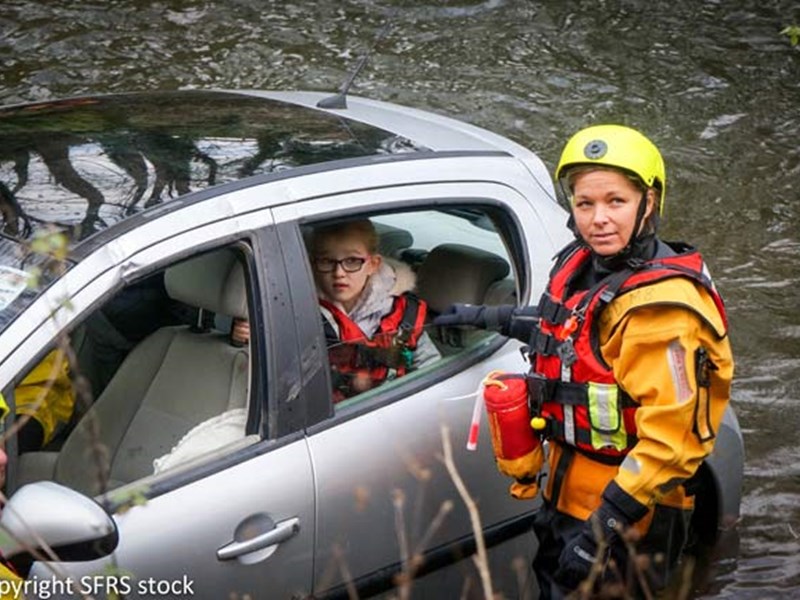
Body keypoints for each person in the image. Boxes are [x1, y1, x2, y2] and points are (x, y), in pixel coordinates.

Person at [436, 125, 734, 597]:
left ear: (648, 203)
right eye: (585, 203)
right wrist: (489, 316)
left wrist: (601, 531)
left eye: (616, 202)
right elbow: (573, 333)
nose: (599, 219)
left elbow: (672, 444)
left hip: (629, 520)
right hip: (568, 499)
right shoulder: (586, 265)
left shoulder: (662, 313)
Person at [309, 219, 440, 401]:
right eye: (326, 261)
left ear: (373, 264)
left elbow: (431, 372)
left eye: (352, 261)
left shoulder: (403, 314)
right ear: (313, 264)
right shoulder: (297, 310)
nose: (339, 273)